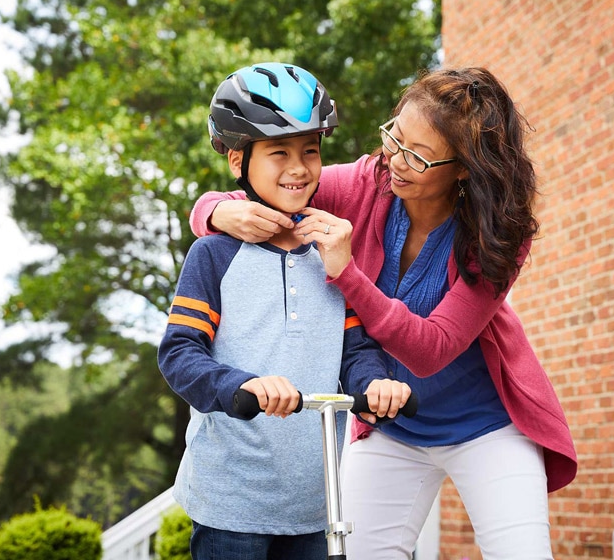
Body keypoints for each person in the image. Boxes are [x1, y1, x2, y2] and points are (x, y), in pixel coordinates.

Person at [189, 66, 578, 559]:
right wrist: (214, 212)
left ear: (463, 169)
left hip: (485, 424)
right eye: (394, 136)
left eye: (417, 156)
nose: (394, 160)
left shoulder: (498, 234)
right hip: (391, 422)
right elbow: (270, 186)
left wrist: (347, 274)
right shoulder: (364, 183)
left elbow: (429, 349)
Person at [157, 61, 411, 560]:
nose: (298, 168)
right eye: (278, 152)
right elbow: (180, 354)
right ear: (237, 160)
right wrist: (239, 385)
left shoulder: (332, 252)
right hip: (233, 503)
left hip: (318, 504)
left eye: (310, 151)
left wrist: (373, 383)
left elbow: (356, 351)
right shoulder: (214, 254)